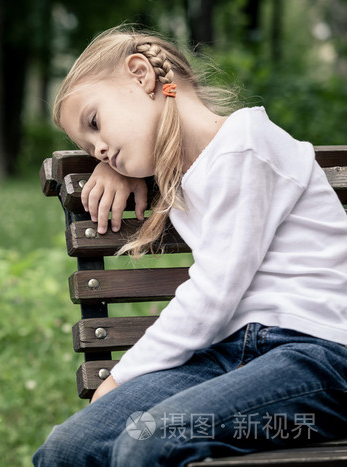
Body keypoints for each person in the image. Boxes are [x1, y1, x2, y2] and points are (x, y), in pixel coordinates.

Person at [33, 25, 347, 466]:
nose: (99, 148)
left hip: (320, 361)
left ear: (140, 75)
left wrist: (119, 378)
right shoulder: (188, 171)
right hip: (229, 356)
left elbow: (214, 292)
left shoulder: (246, 147)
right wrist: (120, 166)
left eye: (95, 123)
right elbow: (158, 140)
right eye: (88, 146)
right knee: (66, 451)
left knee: (149, 442)